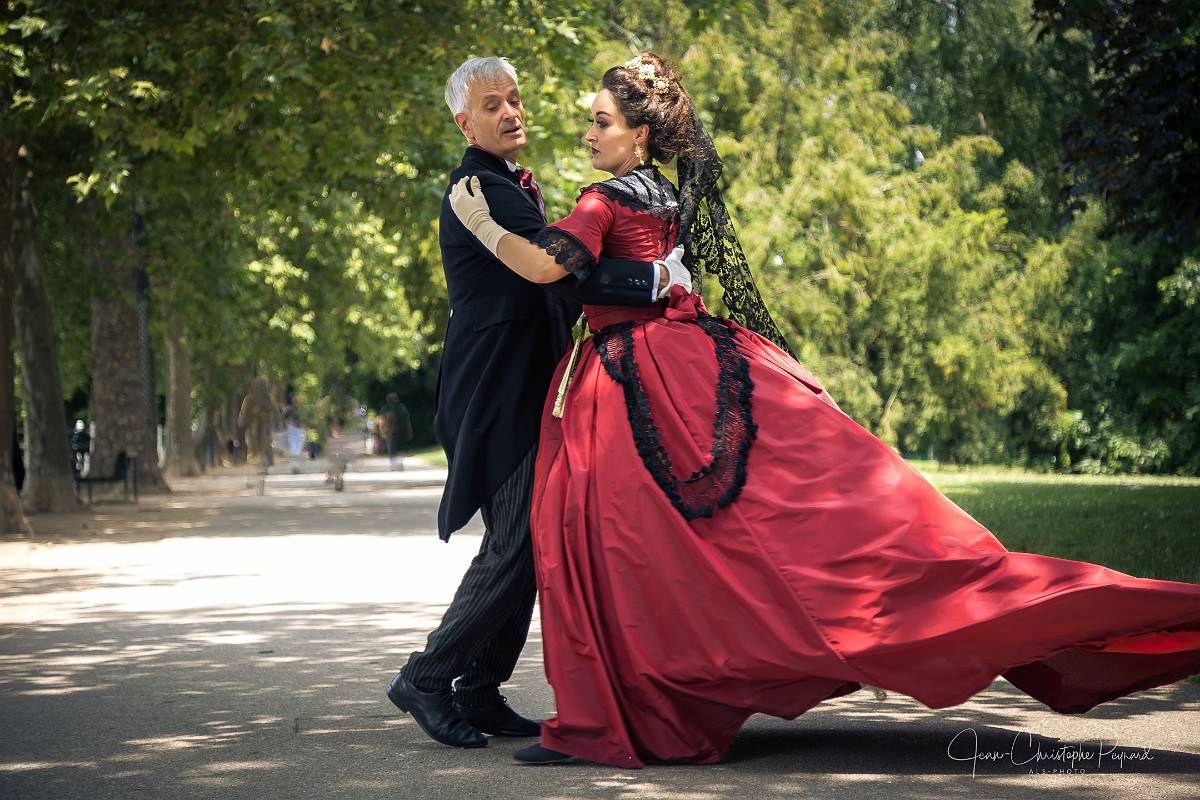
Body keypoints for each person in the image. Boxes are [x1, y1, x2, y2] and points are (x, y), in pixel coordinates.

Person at [448, 51, 1200, 768]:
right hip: (682, 354)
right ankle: (668, 684)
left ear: (639, 133)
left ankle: (627, 706)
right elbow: (643, 274)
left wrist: (483, 226)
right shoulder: (667, 193)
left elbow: (548, 267)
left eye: (601, 121)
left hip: (629, 377)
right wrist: (653, 282)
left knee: (615, 543)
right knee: (688, 539)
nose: (587, 133)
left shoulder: (602, 197)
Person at [385, 56, 693, 751]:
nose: (510, 112)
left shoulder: (507, 183)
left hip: (527, 379)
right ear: (464, 124)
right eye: (492, 105)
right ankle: (427, 677)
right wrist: (656, 278)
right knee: (517, 541)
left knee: (529, 537)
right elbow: (560, 272)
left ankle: (478, 687)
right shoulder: (480, 189)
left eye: (514, 98)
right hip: (495, 387)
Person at [378, 393, 414, 470]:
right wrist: (382, 431)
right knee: (393, 448)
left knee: (398, 448)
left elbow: (406, 420)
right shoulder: (386, 408)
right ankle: (395, 465)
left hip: (399, 431)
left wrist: (409, 430)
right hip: (390, 432)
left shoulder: (401, 407)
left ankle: (398, 465)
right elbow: (382, 421)